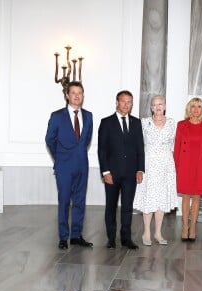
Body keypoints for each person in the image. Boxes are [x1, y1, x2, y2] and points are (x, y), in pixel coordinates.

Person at [45, 81, 93, 250]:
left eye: (80, 92)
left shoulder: (88, 116)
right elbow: (49, 139)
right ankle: (63, 237)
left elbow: (86, 141)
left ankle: (76, 235)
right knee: (64, 201)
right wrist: (59, 159)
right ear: (67, 95)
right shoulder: (57, 116)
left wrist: (78, 155)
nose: (77, 95)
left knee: (80, 201)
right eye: (73, 92)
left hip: (82, 166)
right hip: (64, 167)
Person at [98, 90, 145, 250]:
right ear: (117, 102)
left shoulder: (136, 123)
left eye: (129, 102)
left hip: (130, 174)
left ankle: (126, 238)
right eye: (123, 101)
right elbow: (102, 150)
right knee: (110, 206)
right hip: (112, 174)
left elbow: (140, 148)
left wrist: (140, 169)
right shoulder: (106, 122)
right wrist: (105, 172)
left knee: (127, 207)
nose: (126, 105)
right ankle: (111, 238)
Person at [134, 95, 178, 246]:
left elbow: (173, 144)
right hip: (149, 164)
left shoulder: (172, 123)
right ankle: (146, 232)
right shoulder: (144, 123)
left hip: (166, 165)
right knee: (149, 198)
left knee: (161, 199)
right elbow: (139, 145)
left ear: (165, 106)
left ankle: (158, 233)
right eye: (155, 104)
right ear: (151, 108)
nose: (158, 107)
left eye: (161, 104)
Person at [174, 98, 202, 242]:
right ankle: (184, 227)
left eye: (199, 107)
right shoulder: (181, 125)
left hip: (200, 165)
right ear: (189, 109)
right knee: (185, 197)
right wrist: (175, 168)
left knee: (196, 197)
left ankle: (193, 228)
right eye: (193, 106)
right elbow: (177, 147)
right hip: (184, 164)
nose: (196, 109)